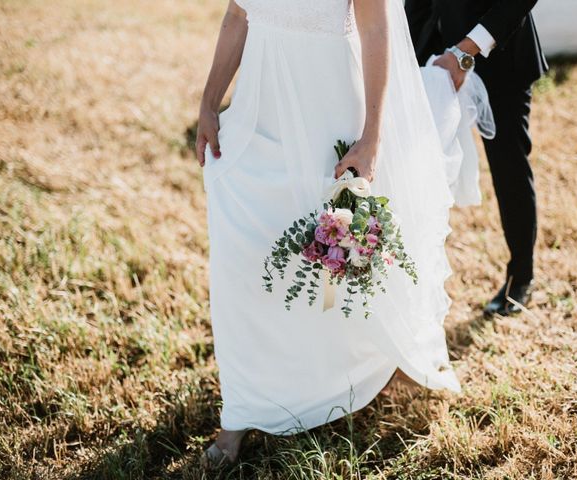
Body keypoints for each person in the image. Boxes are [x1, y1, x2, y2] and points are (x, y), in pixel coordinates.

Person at [195, 0, 462, 466]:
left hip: (328, 119)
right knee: (241, 262)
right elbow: (238, 16)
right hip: (258, 119)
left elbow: (376, 28)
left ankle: (336, 371)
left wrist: (372, 136)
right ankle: (240, 408)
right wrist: (208, 102)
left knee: (325, 266)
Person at [405, 0, 548, 316]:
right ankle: (414, 278)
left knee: (508, 166)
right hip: (431, 53)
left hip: (501, 52)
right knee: (414, 167)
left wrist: (466, 50)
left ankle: (521, 276)